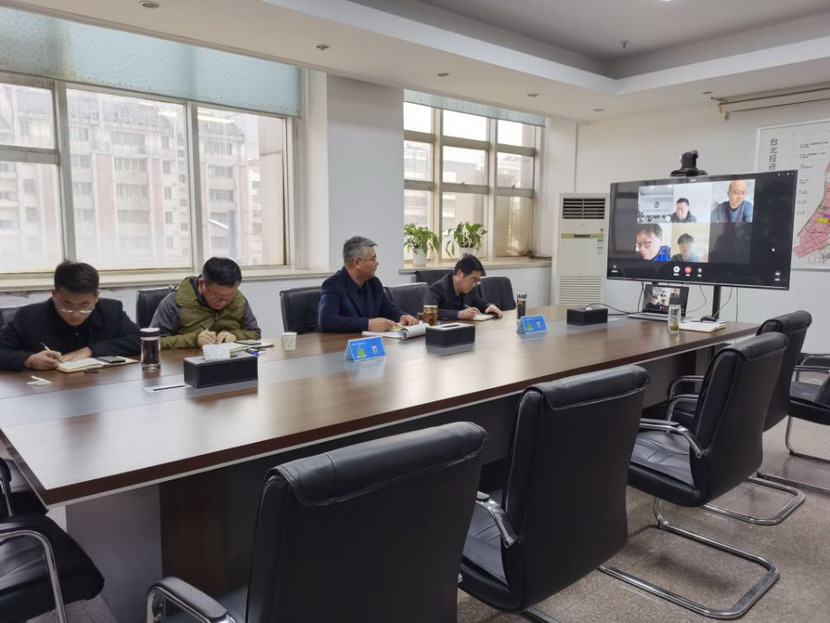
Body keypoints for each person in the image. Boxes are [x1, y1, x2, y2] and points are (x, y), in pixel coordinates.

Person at [0, 261, 140, 371]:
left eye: (85, 306)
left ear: (96, 296)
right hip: (48, 392)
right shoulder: (30, 317)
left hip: (100, 386)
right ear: (54, 294)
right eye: (67, 306)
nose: (76, 314)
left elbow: (140, 340)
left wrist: (90, 350)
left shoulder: (110, 311)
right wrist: (28, 359)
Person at [151, 257, 260, 349]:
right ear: (201, 283)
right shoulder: (176, 302)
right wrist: (193, 340)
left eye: (229, 298)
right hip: (183, 363)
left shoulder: (239, 300)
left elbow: (255, 333)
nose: (223, 302)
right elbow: (153, 342)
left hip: (230, 360)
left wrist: (236, 336)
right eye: (217, 297)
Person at [318, 236, 418, 332]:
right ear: (357, 262)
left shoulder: (374, 283)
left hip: (369, 341)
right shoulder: (333, 285)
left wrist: (402, 316)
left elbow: (389, 309)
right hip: (340, 342)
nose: (377, 263)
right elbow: (327, 321)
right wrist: (368, 324)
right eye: (373, 259)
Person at [423, 254, 503, 321]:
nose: (474, 284)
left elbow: (480, 303)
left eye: (477, 281)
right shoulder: (438, 288)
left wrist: (489, 306)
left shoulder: (470, 288)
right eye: (473, 279)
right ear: (459, 274)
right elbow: (429, 313)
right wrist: (459, 314)